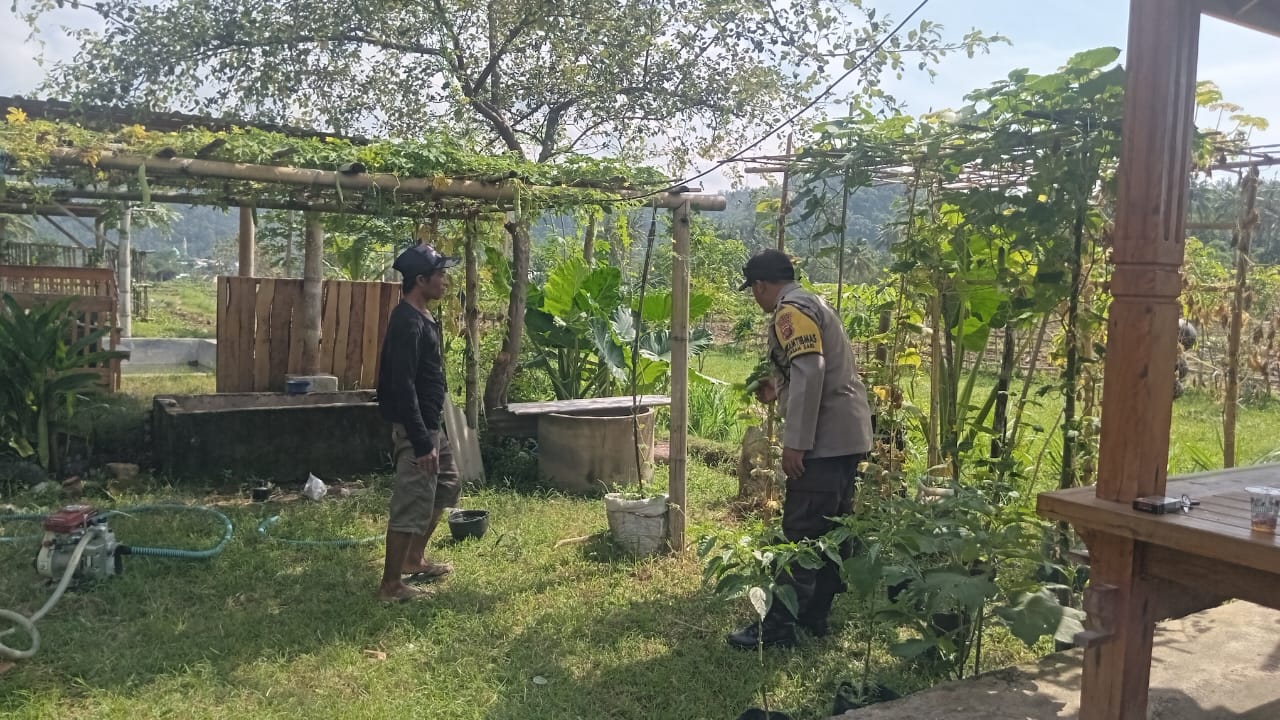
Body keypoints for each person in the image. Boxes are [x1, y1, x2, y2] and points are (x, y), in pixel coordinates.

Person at [727, 249, 874, 649]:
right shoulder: (813, 302)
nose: (755, 297)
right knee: (830, 531)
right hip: (847, 436)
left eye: (753, 289)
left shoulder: (789, 312)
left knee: (801, 533)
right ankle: (814, 616)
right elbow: (811, 368)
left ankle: (777, 628)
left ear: (761, 285)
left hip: (824, 440)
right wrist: (778, 387)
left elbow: (811, 371)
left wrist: (796, 443)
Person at [375, 242, 461, 603]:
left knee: (447, 484)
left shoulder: (422, 315)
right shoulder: (407, 322)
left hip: (430, 424)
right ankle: (390, 586)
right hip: (417, 431)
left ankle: (414, 558)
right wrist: (422, 442)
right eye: (440, 275)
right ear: (421, 280)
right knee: (410, 503)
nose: (445, 281)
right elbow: (402, 385)